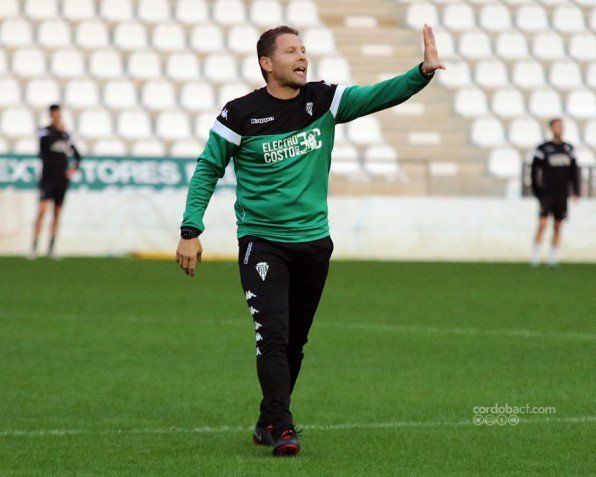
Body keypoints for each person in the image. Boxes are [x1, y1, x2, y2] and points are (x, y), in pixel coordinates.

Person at [176, 24, 444, 456]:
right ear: (267, 63)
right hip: (262, 242)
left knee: (295, 340)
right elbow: (209, 168)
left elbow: (378, 95)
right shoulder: (239, 113)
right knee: (273, 335)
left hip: (314, 242)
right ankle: (283, 428)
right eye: (291, 52)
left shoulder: (323, 100)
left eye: (304, 50)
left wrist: (421, 73)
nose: (302, 57)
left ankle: (268, 419)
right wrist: (191, 229)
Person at [31, 104, 82, 259]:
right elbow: (42, 148)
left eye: (59, 114)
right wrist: (59, 132)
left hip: (61, 179)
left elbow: (78, 156)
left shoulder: (66, 135)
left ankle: (50, 249)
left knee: (57, 214)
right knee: (42, 210)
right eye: (55, 114)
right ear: (51, 115)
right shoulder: (45, 132)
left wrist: (73, 168)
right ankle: (34, 247)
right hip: (47, 178)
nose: (58, 116)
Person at [530, 118, 580, 267]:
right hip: (547, 192)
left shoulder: (569, 149)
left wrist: (576, 191)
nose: (559, 128)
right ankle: (535, 257)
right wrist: (536, 189)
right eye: (557, 126)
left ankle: (552, 258)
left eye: (561, 126)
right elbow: (534, 169)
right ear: (551, 128)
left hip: (562, 193)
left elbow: (574, 171)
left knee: (558, 225)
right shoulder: (544, 148)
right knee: (542, 223)